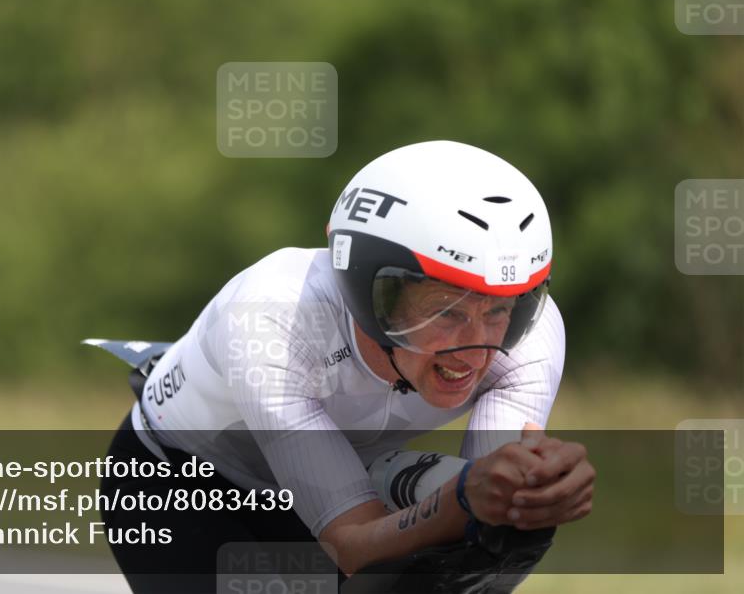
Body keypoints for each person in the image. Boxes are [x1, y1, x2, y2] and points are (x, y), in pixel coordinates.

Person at [97, 140, 595, 593]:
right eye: (446, 310)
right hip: (177, 481)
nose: (474, 348)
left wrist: (527, 496)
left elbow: (489, 510)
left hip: (342, 475)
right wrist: (462, 497)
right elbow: (352, 542)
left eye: (499, 310)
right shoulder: (274, 318)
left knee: (502, 531)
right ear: (368, 291)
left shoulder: (530, 337)